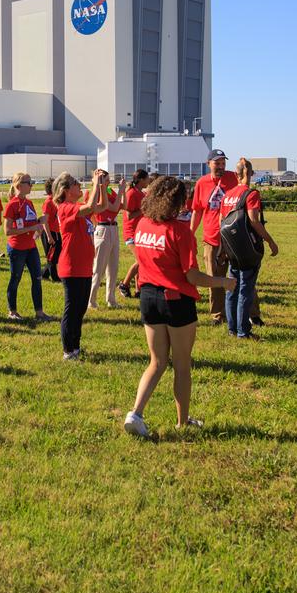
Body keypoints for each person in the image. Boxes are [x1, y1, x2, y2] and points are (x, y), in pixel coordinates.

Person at [124, 175, 236, 437]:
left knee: (157, 361)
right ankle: (182, 422)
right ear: (176, 201)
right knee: (182, 364)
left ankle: (136, 413)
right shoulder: (178, 231)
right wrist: (222, 282)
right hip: (176, 301)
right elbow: (192, 276)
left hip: (148, 298)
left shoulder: (142, 224)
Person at [53, 169, 108, 360]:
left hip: (83, 266)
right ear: (67, 190)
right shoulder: (65, 207)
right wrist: (94, 183)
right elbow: (92, 204)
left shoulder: (78, 207)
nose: (79, 187)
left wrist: (102, 185)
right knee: (73, 308)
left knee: (81, 309)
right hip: (72, 266)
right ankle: (68, 350)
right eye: (76, 184)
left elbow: (101, 206)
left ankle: (75, 346)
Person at [221, 159, 278, 338]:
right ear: (249, 174)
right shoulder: (250, 194)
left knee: (232, 288)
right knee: (245, 289)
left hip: (231, 248)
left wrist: (223, 249)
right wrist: (270, 240)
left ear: (236, 174)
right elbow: (254, 220)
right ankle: (243, 331)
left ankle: (232, 329)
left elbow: (220, 222)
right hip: (247, 249)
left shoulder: (227, 195)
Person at [191, 148, 240, 325]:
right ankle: (217, 315)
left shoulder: (234, 178)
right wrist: (191, 233)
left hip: (234, 237)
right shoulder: (202, 183)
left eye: (223, 163)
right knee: (214, 278)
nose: (220, 166)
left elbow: (246, 181)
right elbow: (197, 210)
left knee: (242, 276)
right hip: (211, 238)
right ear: (208, 164)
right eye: (217, 163)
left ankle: (251, 313)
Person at [3, 172, 50, 322]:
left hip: (31, 247)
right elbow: (7, 231)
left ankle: (39, 312)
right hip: (17, 248)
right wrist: (30, 229)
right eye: (28, 182)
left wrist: (39, 222)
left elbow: (29, 223)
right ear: (19, 186)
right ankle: (12, 311)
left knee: (37, 278)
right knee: (15, 278)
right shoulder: (12, 204)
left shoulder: (28, 203)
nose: (31, 185)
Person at [88, 175, 126, 309]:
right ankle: (91, 300)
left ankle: (111, 299)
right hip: (103, 228)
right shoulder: (97, 193)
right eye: (106, 179)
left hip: (113, 228)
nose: (108, 181)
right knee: (99, 268)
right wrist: (121, 190)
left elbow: (122, 205)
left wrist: (123, 191)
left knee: (113, 268)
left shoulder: (109, 191)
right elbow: (114, 208)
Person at [117, 170, 150, 298]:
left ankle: (138, 290)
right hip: (131, 232)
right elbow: (129, 215)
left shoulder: (140, 193)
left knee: (140, 260)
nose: (149, 181)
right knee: (142, 260)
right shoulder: (131, 193)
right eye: (147, 179)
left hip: (140, 232)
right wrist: (143, 209)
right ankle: (124, 285)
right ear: (141, 180)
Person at [41, 178, 61, 281]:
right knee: (52, 256)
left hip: (56, 231)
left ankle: (43, 274)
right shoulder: (48, 202)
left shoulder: (56, 201)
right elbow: (44, 221)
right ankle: (55, 277)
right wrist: (49, 236)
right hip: (48, 232)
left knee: (57, 254)